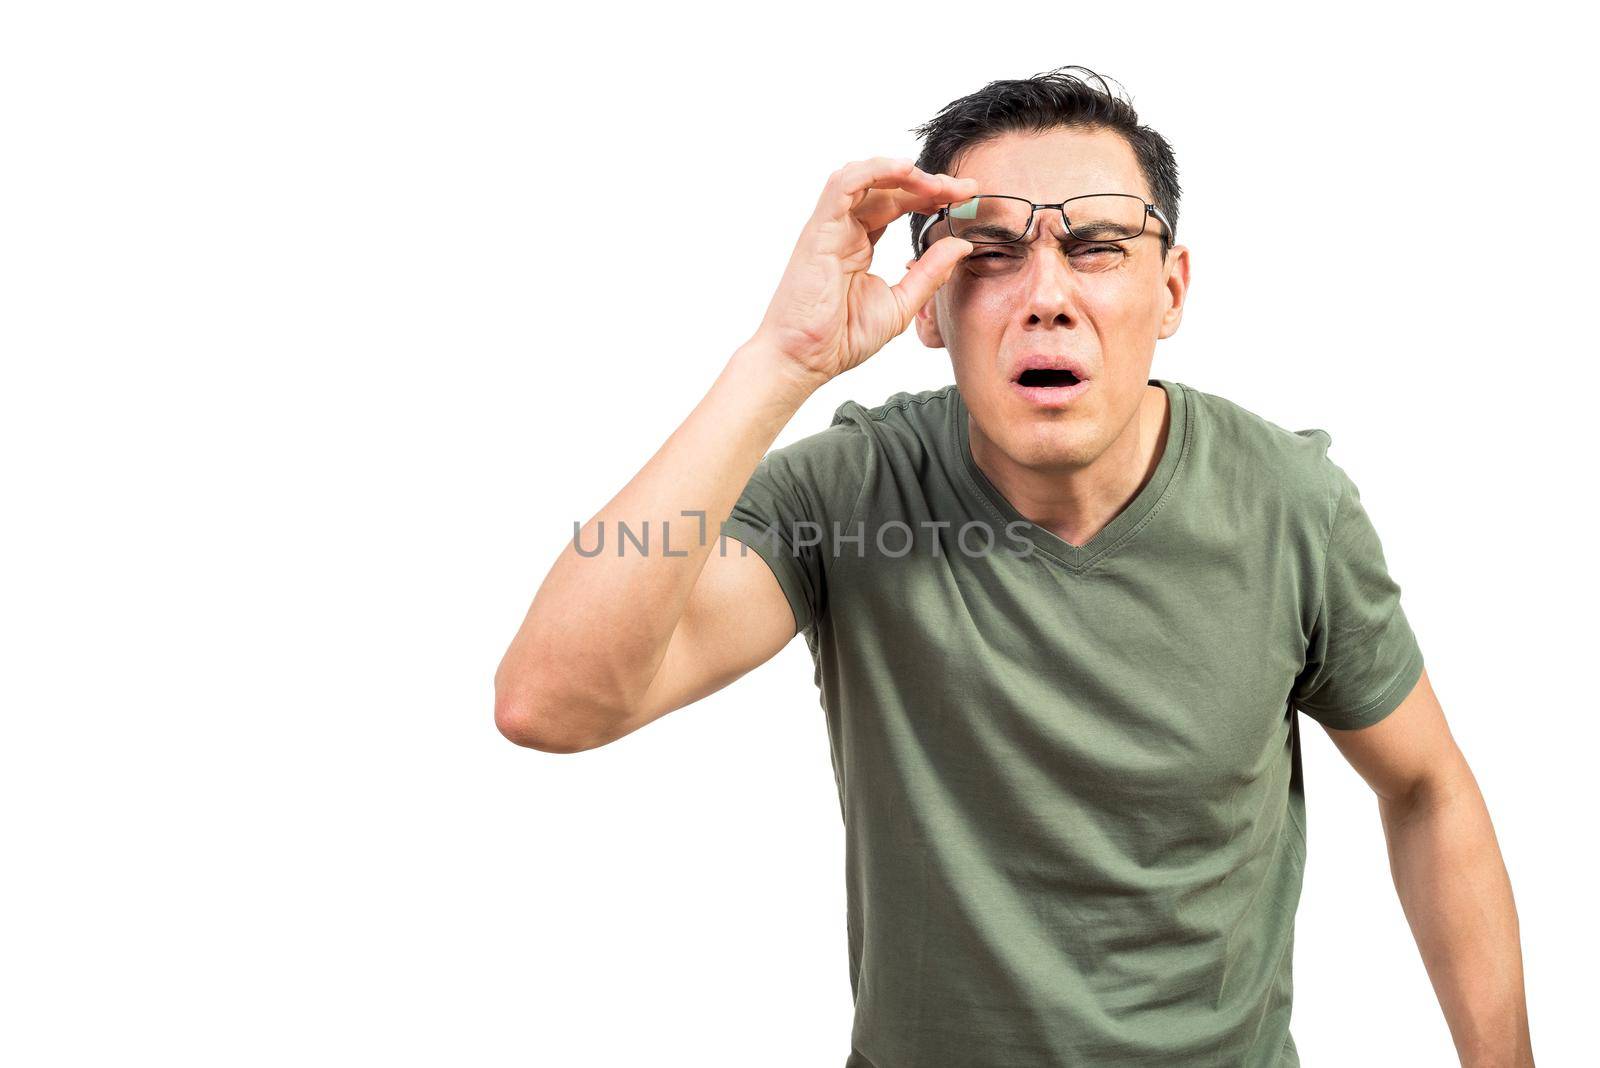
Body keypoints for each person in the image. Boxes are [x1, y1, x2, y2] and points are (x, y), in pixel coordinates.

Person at [493, 66, 1534, 1067]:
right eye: (987, 251)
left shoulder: (1290, 506)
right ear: (929, 309)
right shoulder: (851, 496)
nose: (1044, 293)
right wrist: (781, 360)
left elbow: (1427, 786)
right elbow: (552, 704)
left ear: (1169, 290)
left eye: (1096, 246)